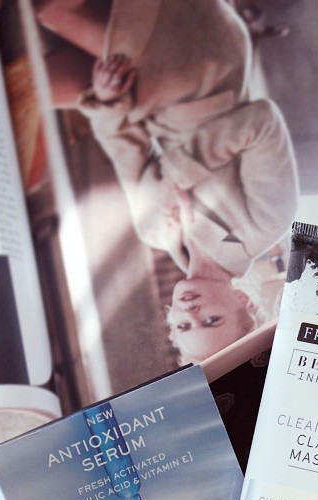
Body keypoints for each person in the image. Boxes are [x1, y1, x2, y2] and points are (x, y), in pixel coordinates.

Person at [34, 0, 298, 359]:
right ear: (242, 300)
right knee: (53, 12)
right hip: (202, 69)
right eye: (212, 320)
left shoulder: (155, 232)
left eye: (184, 325)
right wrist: (176, 178)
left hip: (140, 97)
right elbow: (262, 121)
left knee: (18, 84)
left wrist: (108, 103)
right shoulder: (267, 221)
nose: (191, 311)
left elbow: (127, 151)